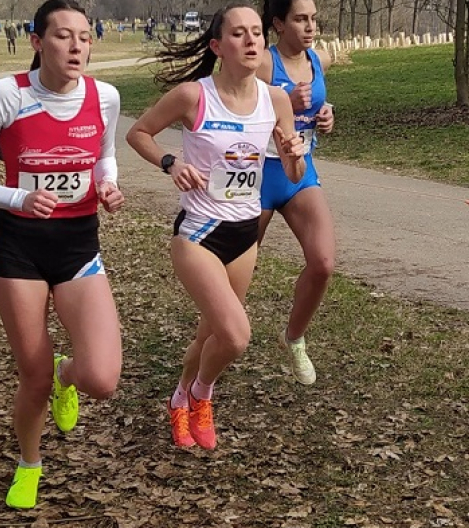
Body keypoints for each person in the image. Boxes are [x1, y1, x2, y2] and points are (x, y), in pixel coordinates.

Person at [0, 0, 124, 509]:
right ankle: (29, 463)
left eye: (85, 37)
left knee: (102, 378)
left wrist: (107, 185)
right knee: (33, 375)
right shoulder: (8, 95)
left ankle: (70, 376)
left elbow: (105, 155)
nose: (76, 47)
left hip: (78, 245)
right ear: (37, 42)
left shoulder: (104, 97)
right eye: (64, 36)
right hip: (18, 248)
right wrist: (17, 197)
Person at [126, 3, 305, 450]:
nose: (251, 41)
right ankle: (203, 393)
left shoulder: (275, 99)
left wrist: (295, 152)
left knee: (210, 333)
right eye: (239, 34)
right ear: (217, 46)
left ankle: (180, 397)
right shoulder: (193, 96)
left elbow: (295, 173)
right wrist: (171, 162)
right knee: (235, 335)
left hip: (246, 236)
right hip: (199, 234)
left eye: (256, 34)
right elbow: (139, 133)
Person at [257, 0, 335, 386]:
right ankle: (212, 343)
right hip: (256, 175)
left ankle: (294, 338)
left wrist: (326, 115)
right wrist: (282, 104)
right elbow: (235, 110)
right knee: (235, 273)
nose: (310, 27)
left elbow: (317, 106)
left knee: (322, 263)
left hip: (299, 172)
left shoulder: (318, 59)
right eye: (300, 19)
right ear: (278, 24)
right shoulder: (262, 63)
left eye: (313, 19)